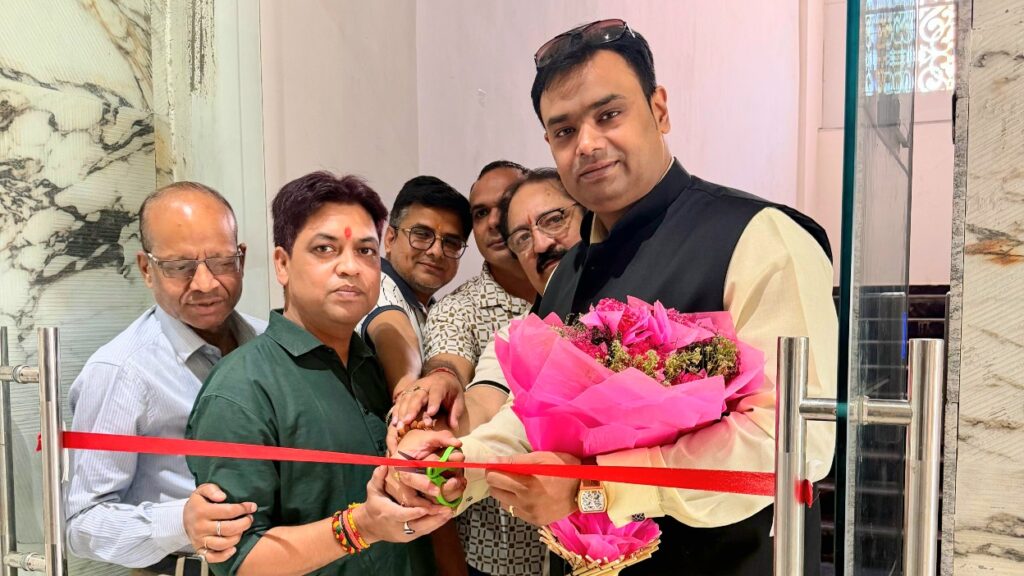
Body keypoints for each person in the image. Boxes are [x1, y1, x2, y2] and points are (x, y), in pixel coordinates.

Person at [394, 19, 837, 576]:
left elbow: (793, 445)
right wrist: (462, 465)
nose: (587, 144)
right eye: (564, 130)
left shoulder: (760, 239)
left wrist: (597, 488)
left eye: (608, 115)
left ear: (659, 109)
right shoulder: (566, 274)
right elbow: (532, 417)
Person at [185, 171, 462, 576]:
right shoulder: (242, 389)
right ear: (282, 264)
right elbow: (240, 560)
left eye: (365, 251)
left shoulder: (374, 367)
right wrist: (359, 527)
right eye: (325, 249)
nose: (350, 267)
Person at [388, 168, 586, 576]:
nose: (540, 243)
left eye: (553, 219)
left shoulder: (636, 315)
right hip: (502, 554)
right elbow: (485, 400)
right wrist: (432, 442)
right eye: (522, 236)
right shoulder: (513, 333)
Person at [66, 182, 264, 575]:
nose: (206, 283)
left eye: (222, 261)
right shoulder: (121, 371)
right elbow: (82, 523)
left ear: (241, 258)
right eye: (180, 267)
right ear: (146, 269)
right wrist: (181, 522)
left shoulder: (269, 343)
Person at [417, 161, 556, 576]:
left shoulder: (590, 301)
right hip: (500, 553)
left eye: (506, 207)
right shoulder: (460, 310)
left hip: (595, 545)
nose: (495, 222)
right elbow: (459, 378)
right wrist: (437, 390)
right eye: (480, 213)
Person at [357, 175, 472, 395]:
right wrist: (410, 393)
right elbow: (391, 329)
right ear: (390, 239)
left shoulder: (432, 307)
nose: (436, 251)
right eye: (422, 234)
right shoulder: (376, 286)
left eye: (451, 242)